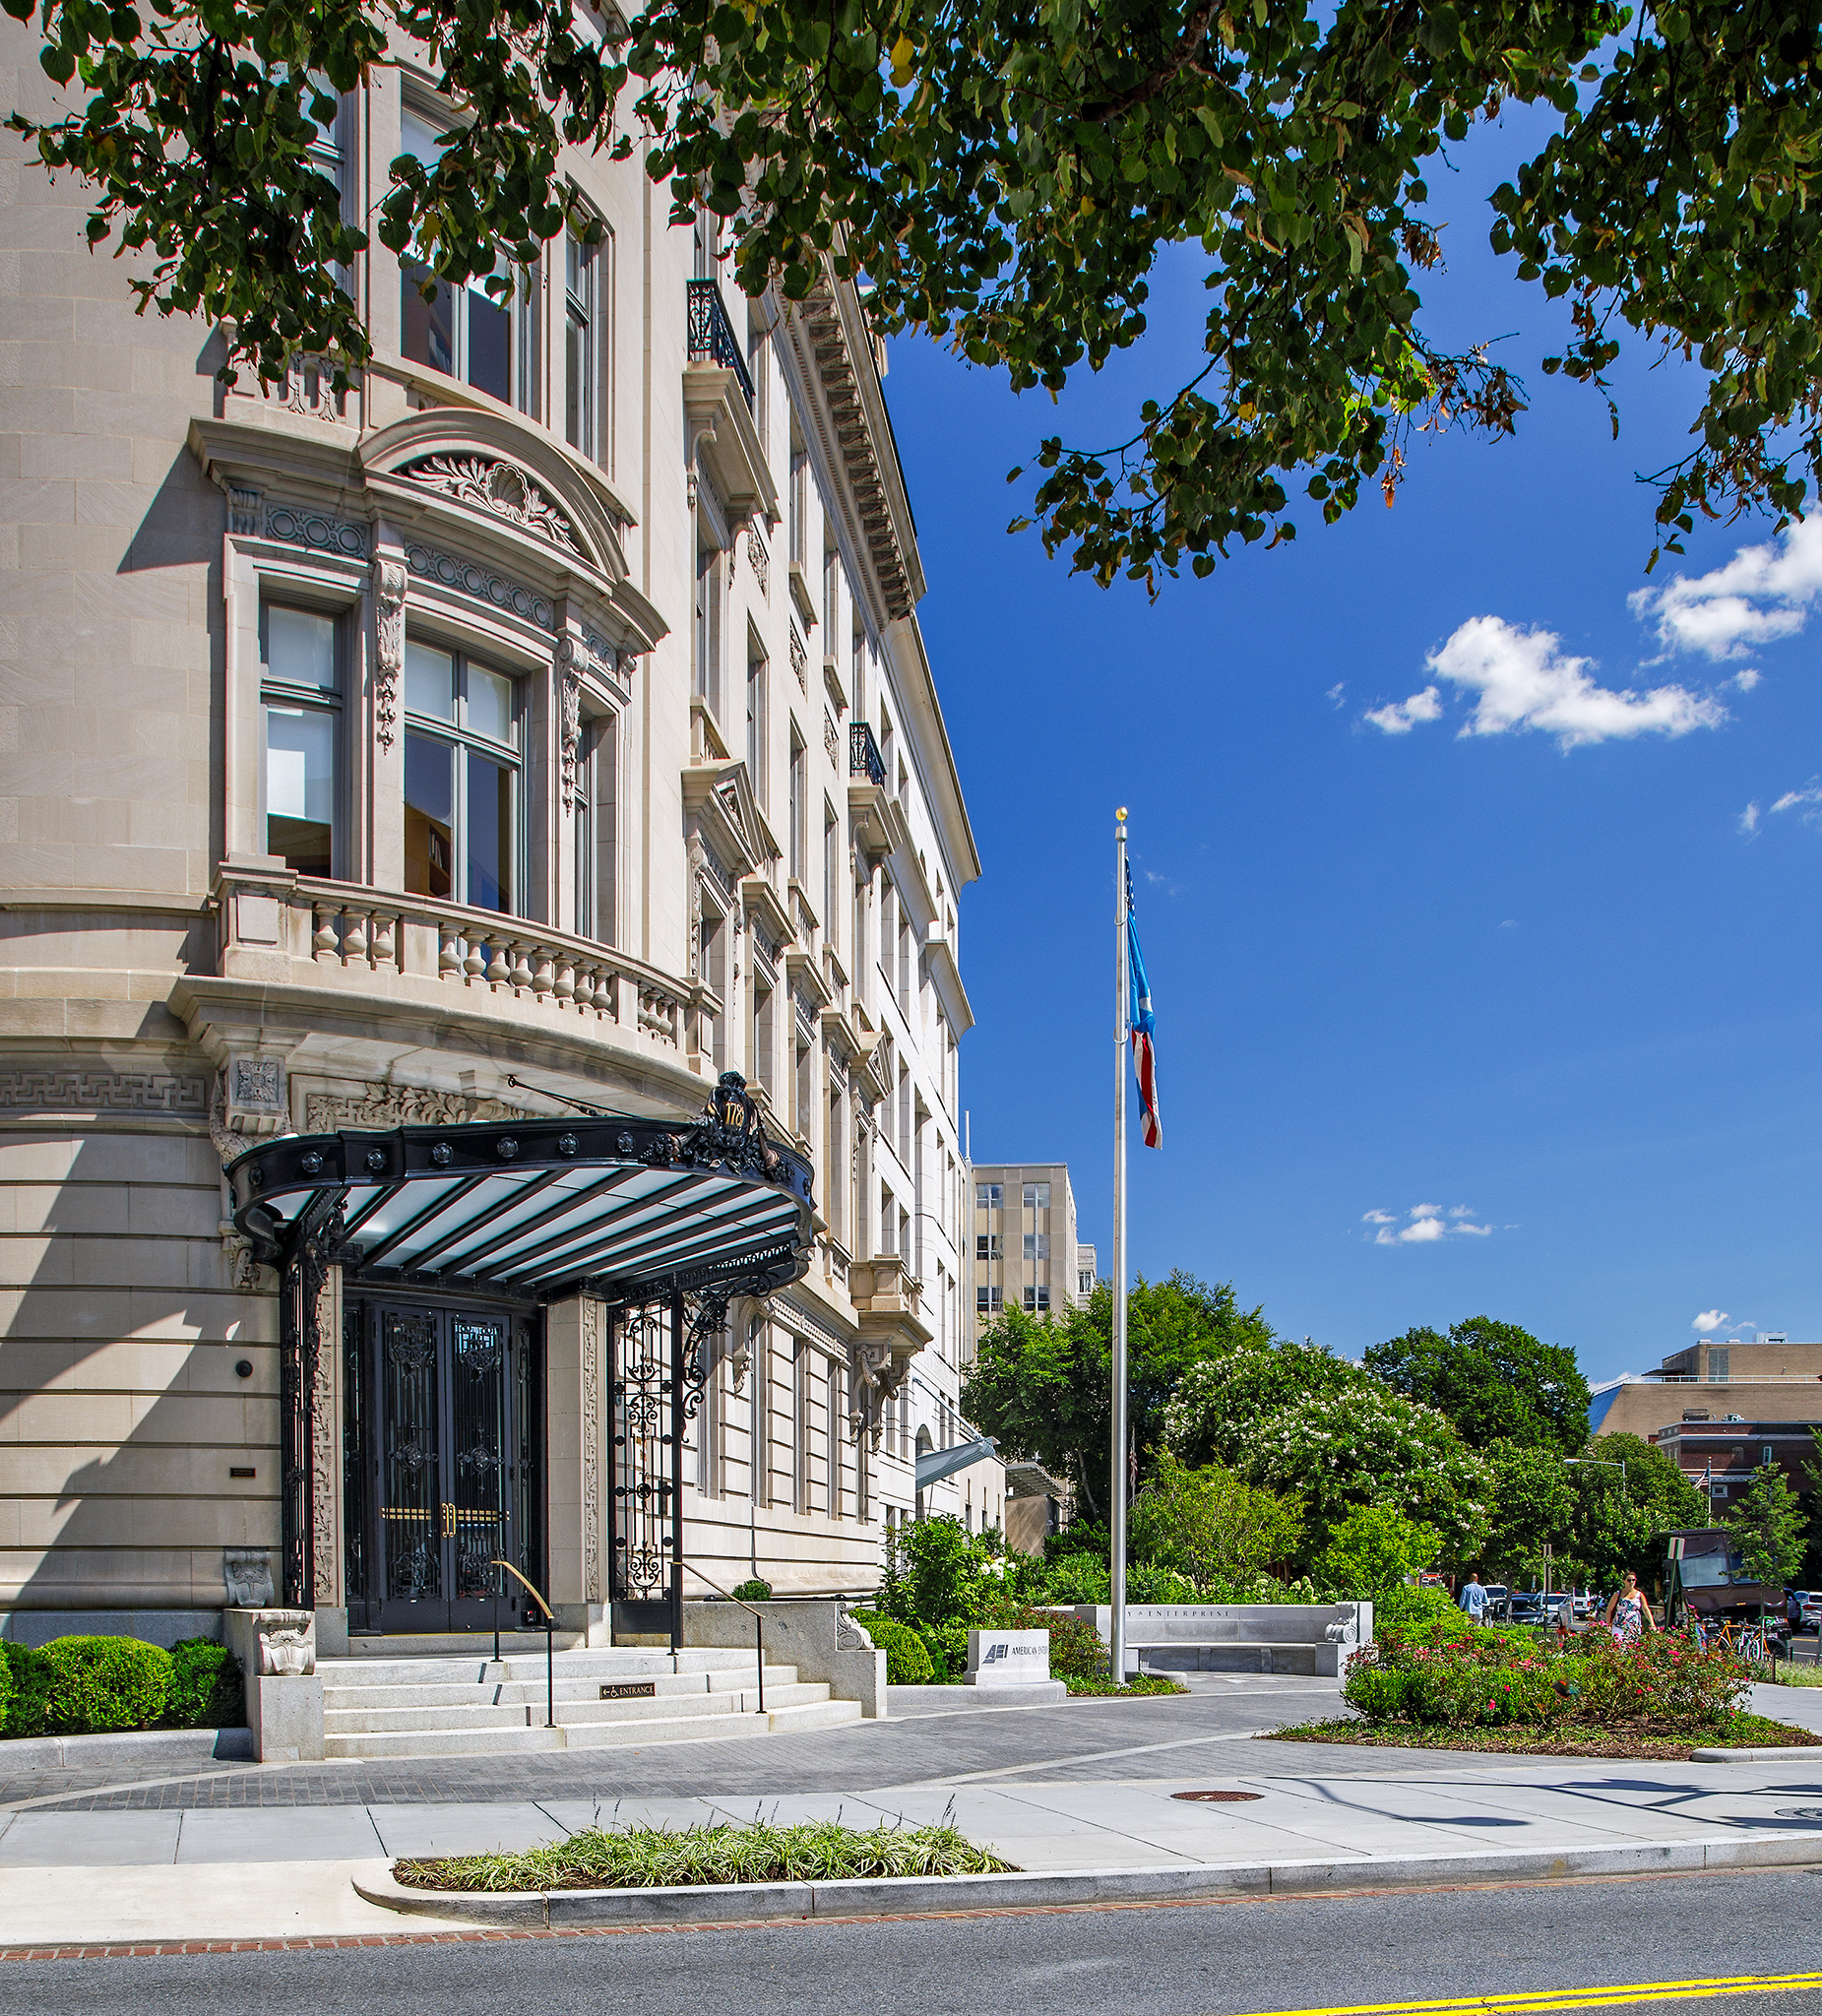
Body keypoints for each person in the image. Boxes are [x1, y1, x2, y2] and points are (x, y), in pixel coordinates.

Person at [1605, 1571, 1657, 1644]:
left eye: (1633, 1580)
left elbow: (1645, 1609)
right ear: (1624, 1581)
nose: (1631, 1582)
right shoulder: (1618, 1594)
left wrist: (1652, 1624)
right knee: (1618, 1645)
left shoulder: (1639, 1594)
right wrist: (1608, 1624)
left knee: (1632, 1647)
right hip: (1619, 1624)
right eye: (1629, 1580)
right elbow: (1609, 1609)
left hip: (1634, 1625)